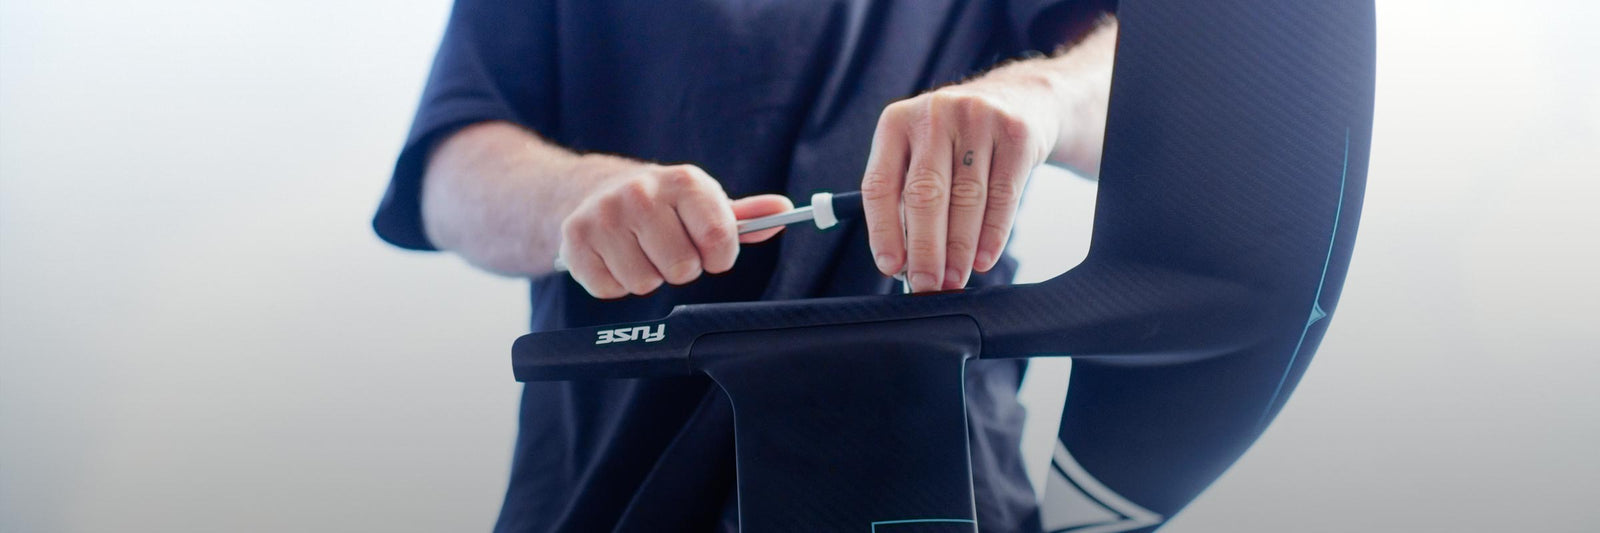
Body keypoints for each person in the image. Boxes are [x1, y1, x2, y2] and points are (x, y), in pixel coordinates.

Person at [373, 1, 1117, 531]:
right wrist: (581, 194)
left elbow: (1147, 81)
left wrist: (1039, 94)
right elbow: (448, 172)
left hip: (928, 481)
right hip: (611, 488)